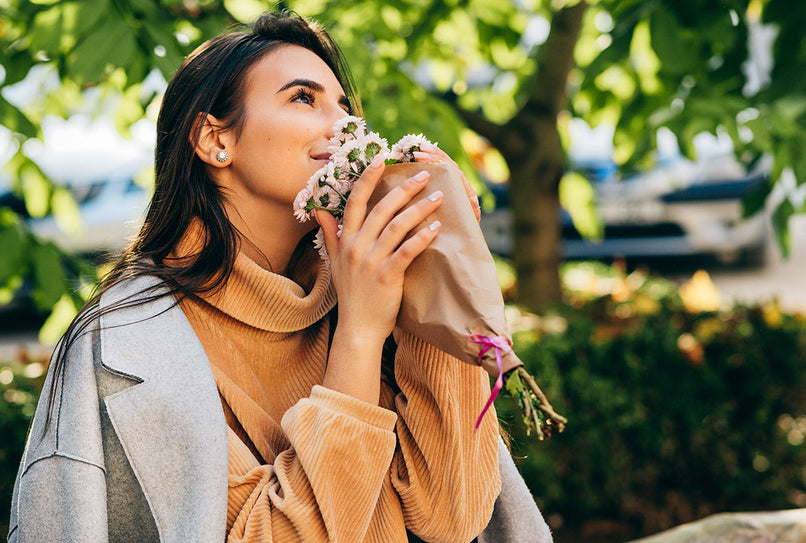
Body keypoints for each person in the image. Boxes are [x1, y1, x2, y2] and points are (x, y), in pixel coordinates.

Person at [8, 10, 552, 543]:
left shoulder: (359, 290)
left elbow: (452, 518)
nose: (345, 127)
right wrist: (360, 337)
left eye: (345, 106)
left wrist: (432, 274)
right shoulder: (131, 342)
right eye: (302, 98)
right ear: (214, 140)